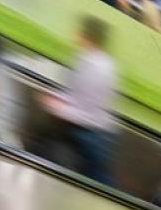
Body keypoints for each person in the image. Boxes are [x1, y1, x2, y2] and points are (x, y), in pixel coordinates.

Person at [44, 17, 117, 185]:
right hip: (90, 133)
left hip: (91, 135)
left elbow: (88, 112)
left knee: (98, 184)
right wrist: (59, 99)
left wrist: (57, 107)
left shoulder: (97, 67)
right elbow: (77, 95)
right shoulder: (92, 61)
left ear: (88, 36)